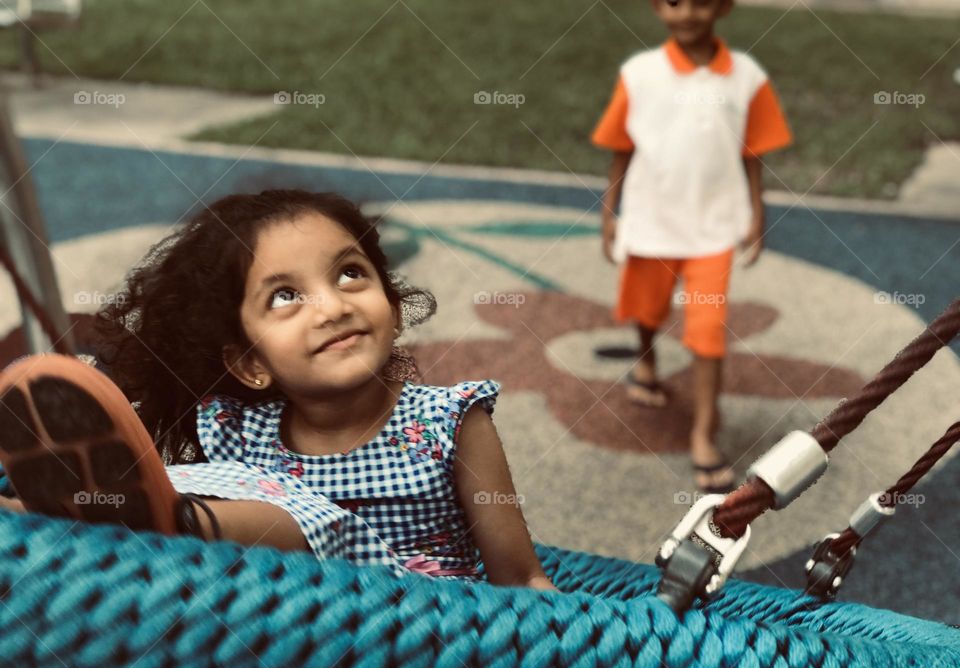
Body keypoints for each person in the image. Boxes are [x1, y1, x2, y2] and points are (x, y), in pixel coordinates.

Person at [0, 189, 556, 590]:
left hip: (416, 627)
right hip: (285, 631)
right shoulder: (237, 428)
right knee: (203, 481)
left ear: (392, 306)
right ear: (249, 363)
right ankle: (39, 508)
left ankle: (169, 520)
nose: (332, 306)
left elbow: (519, 576)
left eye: (350, 274)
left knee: (306, 518)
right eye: (286, 296)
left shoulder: (449, 422)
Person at [592, 0, 792, 491]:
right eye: (674, 2)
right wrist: (609, 211)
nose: (687, 13)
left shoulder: (746, 76)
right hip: (650, 220)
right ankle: (647, 365)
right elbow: (623, 146)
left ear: (723, 7)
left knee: (707, 329)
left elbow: (754, 150)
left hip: (713, 228)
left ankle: (704, 432)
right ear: (658, 8)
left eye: (701, 2)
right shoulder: (639, 73)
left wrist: (756, 210)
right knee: (647, 309)